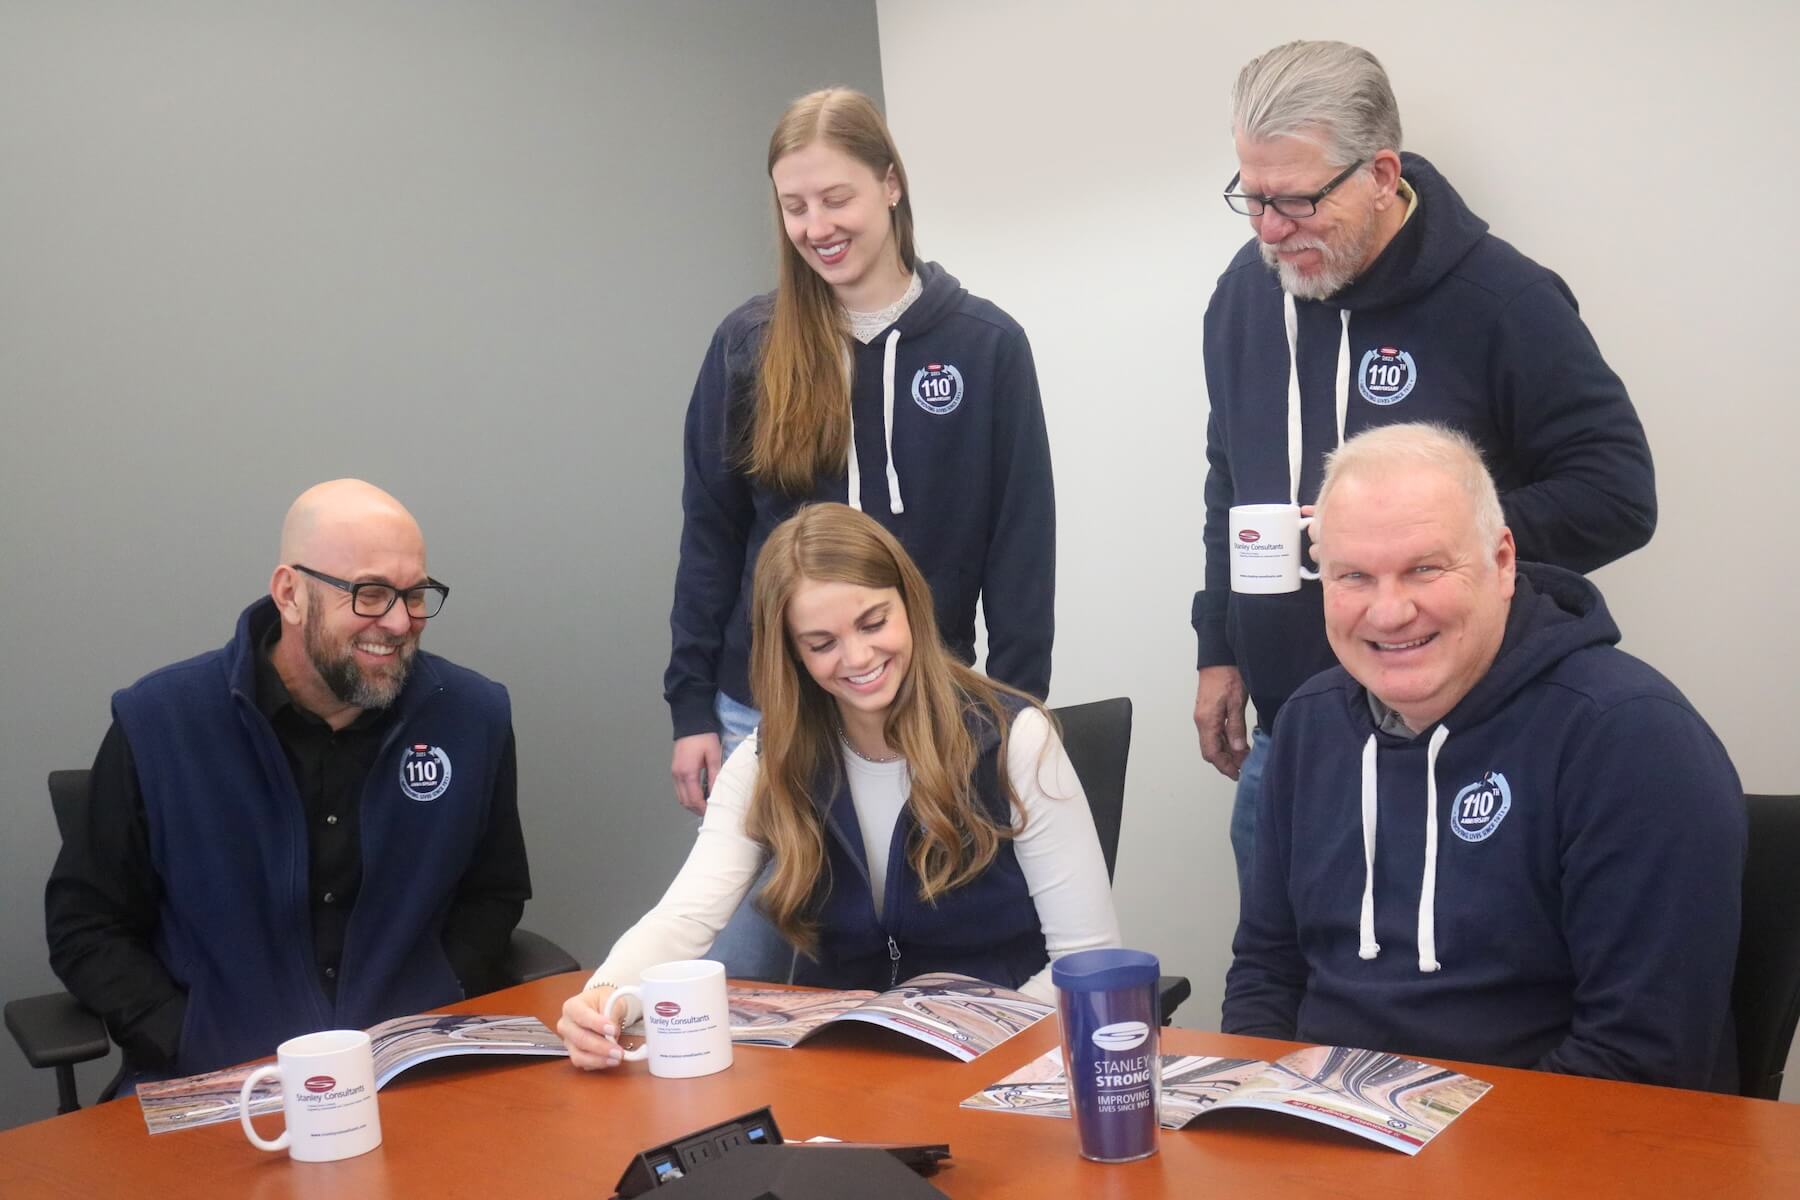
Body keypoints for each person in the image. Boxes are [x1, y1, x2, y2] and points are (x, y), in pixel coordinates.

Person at [1191, 41, 1657, 897]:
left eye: (1295, 201)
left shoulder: (1502, 301)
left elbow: (1618, 493)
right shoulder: (1245, 293)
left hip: (1469, 742)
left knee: (1448, 1005)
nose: (1268, 229)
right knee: (1282, 996)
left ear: (1379, 173)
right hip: (1289, 738)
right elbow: (1230, 479)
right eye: (1251, 198)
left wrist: (1437, 545)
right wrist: (1217, 647)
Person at [1222, 424, 1742, 1091]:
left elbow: (1642, 1057)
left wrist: (1415, 1148)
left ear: (1502, 562)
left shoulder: (1629, 738)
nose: (1389, 611)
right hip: (1330, 1142)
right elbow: (1269, 968)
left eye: (1425, 568)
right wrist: (1257, 1106)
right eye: (1354, 576)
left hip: (1552, 1150)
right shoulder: (1309, 723)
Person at [562, 504, 1115, 1070]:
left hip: (999, 1059)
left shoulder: (1016, 739)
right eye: (822, 643)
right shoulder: (769, 757)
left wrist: (983, 1053)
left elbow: (1089, 959)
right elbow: (686, 917)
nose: (858, 657)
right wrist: (604, 998)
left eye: (874, 623)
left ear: (910, 604)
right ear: (794, 655)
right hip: (847, 1066)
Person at [46, 480, 531, 1081]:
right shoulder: (160, 722)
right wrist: (184, 1035)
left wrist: (437, 998)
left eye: (415, 594)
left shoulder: (472, 716)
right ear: (290, 594)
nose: (402, 621)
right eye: (372, 594)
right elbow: (84, 925)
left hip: (408, 1077)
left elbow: (494, 893)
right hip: (221, 1087)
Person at [667, 86, 1055, 814]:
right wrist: (691, 708)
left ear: (891, 184)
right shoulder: (748, 346)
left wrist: (1014, 712)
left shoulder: (986, 346)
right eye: (795, 207)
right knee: (758, 928)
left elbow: (1021, 548)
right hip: (764, 712)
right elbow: (710, 538)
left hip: (929, 712)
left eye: (835, 198)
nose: (816, 227)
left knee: (921, 925)